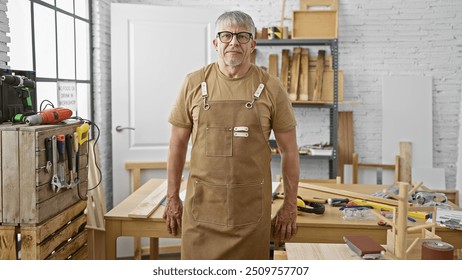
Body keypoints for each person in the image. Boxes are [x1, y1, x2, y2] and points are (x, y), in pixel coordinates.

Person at [163, 10, 300, 260]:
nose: (233, 42)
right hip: (201, 209)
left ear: (253, 44)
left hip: (250, 213)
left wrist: (290, 206)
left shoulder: (271, 88)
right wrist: (172, 198)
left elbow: (290, 151)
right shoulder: (194, 83)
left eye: (242, 36)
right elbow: (177, 144)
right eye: (226, 36)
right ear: (216, 43)